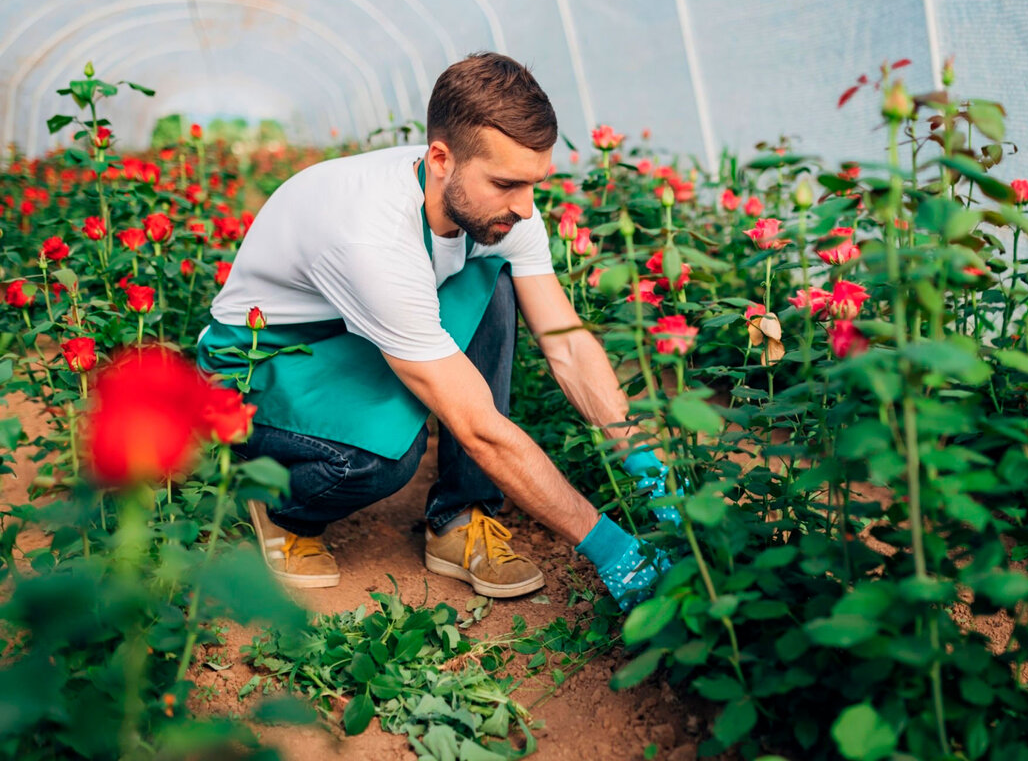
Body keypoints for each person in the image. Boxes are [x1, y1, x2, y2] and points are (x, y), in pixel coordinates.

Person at [195, 52, 672, 611]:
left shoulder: (498, 201)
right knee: (376, 460)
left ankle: (459, 519)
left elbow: (565, 342)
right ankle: (277, 503)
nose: (526, 206)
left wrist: (650, 468)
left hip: (350, 337)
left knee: (493, 272)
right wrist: (611, 547)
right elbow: (479, 428)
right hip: (259, 365)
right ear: (441, 158)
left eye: (535, 183)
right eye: (507, 183)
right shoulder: (371, 235)